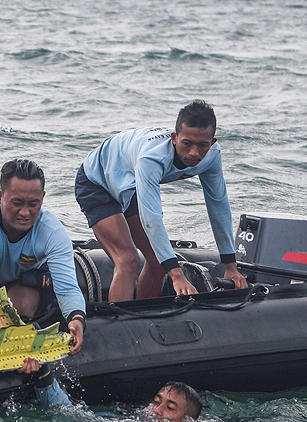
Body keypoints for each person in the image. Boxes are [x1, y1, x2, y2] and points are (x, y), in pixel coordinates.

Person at [75, 100, 248, 302]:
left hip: (129, 184)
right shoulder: (152, 158)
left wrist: (230, 266)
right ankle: (120, 323)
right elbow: (152, 218)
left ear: (213, 142)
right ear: (174, 138)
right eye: (187, 143)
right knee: (128, 259)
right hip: (97, 181)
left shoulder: (212, 157)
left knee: (158, 261)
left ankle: (143, 317)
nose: (194, 153)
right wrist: (176, 275)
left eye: (203, 145)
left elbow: (219, 206)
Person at [0, 158, 86, 354]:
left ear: (43, 198)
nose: (25, 212)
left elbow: (67, 287)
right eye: (17, 203)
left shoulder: (52, 231)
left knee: (22, 304)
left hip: (27, 280)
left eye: (33, 204)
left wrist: (77, 320)